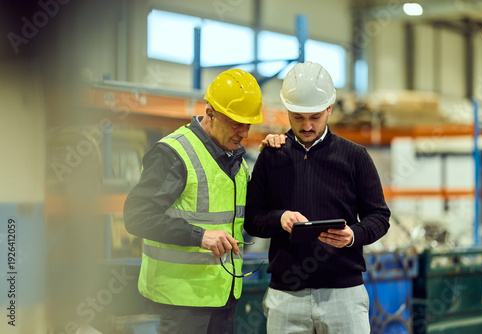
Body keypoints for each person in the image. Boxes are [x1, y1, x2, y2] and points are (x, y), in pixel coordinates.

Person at [244, 61, 391, 334]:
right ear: (287, 111)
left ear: (329, 109)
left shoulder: (355, 157)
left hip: (344, 295)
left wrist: (353, 235)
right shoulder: (272, 155)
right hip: (287, 297)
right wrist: (281, 218)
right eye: (298, 118)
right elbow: (251, 219)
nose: (307, 126)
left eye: (315, 117)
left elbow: (379, 216)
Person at [123, 68, 264, 334]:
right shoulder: (173, 154)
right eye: (236, 123)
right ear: (210, 112)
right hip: (180, 302)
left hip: (222, 296)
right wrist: (199, 236)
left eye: (248, 124)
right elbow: (137, 216)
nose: (244, 132)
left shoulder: (234, 159)